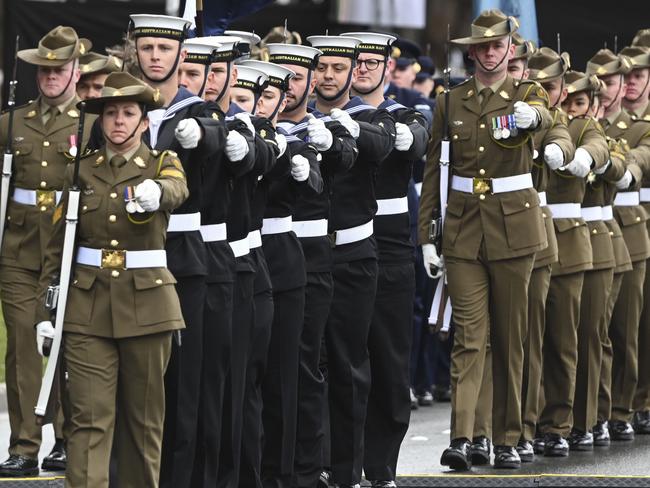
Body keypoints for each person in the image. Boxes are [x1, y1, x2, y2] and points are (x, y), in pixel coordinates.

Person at [34, 70, 189, 488]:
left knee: (143, 423)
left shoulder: (162, 163)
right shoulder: (79, 171)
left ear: (144, 121)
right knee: (87, 418)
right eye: (111, 113)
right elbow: (56, 249)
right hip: (87, 306)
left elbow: (177, 189)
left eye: (128, 113)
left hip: (149, 307)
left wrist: (159, 191)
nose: (119, 121)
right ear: (100, 120)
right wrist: (45, 311)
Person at [418, 9, 552, 470]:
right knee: (468, 338)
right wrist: (427, 235)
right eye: (482, 47)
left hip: (514, 229)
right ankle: (464, 436)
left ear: (510, 50)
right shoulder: (450, 102)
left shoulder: (526, 93)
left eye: (498, 46)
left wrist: (532, 118)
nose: (490, 53)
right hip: (463, 230)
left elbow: (545, 118)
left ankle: (509, 437)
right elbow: (435, 169)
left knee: (512, 338)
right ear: (471, 52)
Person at [0, 25, 93, 477]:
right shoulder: (13, 122)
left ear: (76, 71)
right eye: (44, 71)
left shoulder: (91, 123)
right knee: (21, 345)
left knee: (63, 344)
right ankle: (23, 444)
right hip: (18, 249)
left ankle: (65, 436)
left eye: (59, 70)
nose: (51, 77)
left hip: (67, 252)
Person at [268, 41, 358, 488]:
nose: (288, 86)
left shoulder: (324, 130)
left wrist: (328, 142)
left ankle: (309, 466)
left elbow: (347, 155)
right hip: (260, 253)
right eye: (279, 76)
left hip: (309, 255)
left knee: (307, 363)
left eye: (297, 77)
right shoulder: (252, 128)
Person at [307, 34, 396, 487]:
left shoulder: (369, 118)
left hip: (352, 255)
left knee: (348, 366)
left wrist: (346, 127)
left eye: (338, 69)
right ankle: (315, 465)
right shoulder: (293, 120)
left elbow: (382, 145)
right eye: (320, 67)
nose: (327, 76)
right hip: (305, 256)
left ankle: (348, 472)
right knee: (307, 365)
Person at [343, 31, 428, 487]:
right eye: (354, 61)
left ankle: (382, 467)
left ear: (385, 66)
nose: (361, 68)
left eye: (371, 61)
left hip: (390, 244)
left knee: (389, 360)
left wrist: (393, 134)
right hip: (343, 247)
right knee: (342, 361)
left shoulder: (403, 113)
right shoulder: (325, 117)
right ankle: (344, 464)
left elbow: (418, 138)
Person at [587, 49, 650, 442]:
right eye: (607, 83)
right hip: (589, 227)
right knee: (594, 329)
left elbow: (639, 160)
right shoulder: (582, 123)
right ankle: (597, 408)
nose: (616, 88)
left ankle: (628, 405)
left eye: (617, 81)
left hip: (628, 225)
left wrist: (623, 168)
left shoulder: (637, 126)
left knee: (629, 328)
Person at [519, 47, 573, 461]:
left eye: (549, 86)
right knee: (521, 335)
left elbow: (591, 151)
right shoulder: (515, 118)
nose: (540, 91)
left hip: (572, 239)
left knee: (561, 339)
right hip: (518, 235)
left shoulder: (571, 124)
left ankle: (558, 422)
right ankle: (519, 425)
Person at [560, 71, 615, 451]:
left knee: (591, 336)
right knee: (551, 340)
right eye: (567, 102)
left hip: (593, 239)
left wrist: (590, 158)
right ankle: (547, 423)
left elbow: (612, 160)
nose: (571, 111)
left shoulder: (596, 133)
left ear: (593, 105)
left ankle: (590, 417)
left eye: (579, 103)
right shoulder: (548, 128)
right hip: (547, 237)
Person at [619, 45, 650, 434]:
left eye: (637, 77)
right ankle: (631, 400)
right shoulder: (607, 119)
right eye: (623, 78)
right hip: (619, 218)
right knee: (630, 319)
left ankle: (643, 397)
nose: (628, 85)